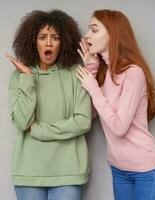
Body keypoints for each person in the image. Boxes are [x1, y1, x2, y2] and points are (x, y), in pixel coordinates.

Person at [76, 9, 155, 200]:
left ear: (113, 34)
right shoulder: (105, 73)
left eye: (94, 30)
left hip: (147, 171)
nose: (87, 35)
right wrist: (92, 72)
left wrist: (93, 87)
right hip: (119, 169)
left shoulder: (133, 73)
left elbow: (119, 127)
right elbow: (92, 114)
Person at [6, 10, 91, 200]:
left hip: (68, 172)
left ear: (64, 42)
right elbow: (21, 122)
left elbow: (83, 121)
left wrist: (39, 130)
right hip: (28, 173)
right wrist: (28, 79)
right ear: (33, 41)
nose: (49, 43)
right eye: (42, 37)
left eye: (55, 37)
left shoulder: (77, 74)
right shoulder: (19, 77)